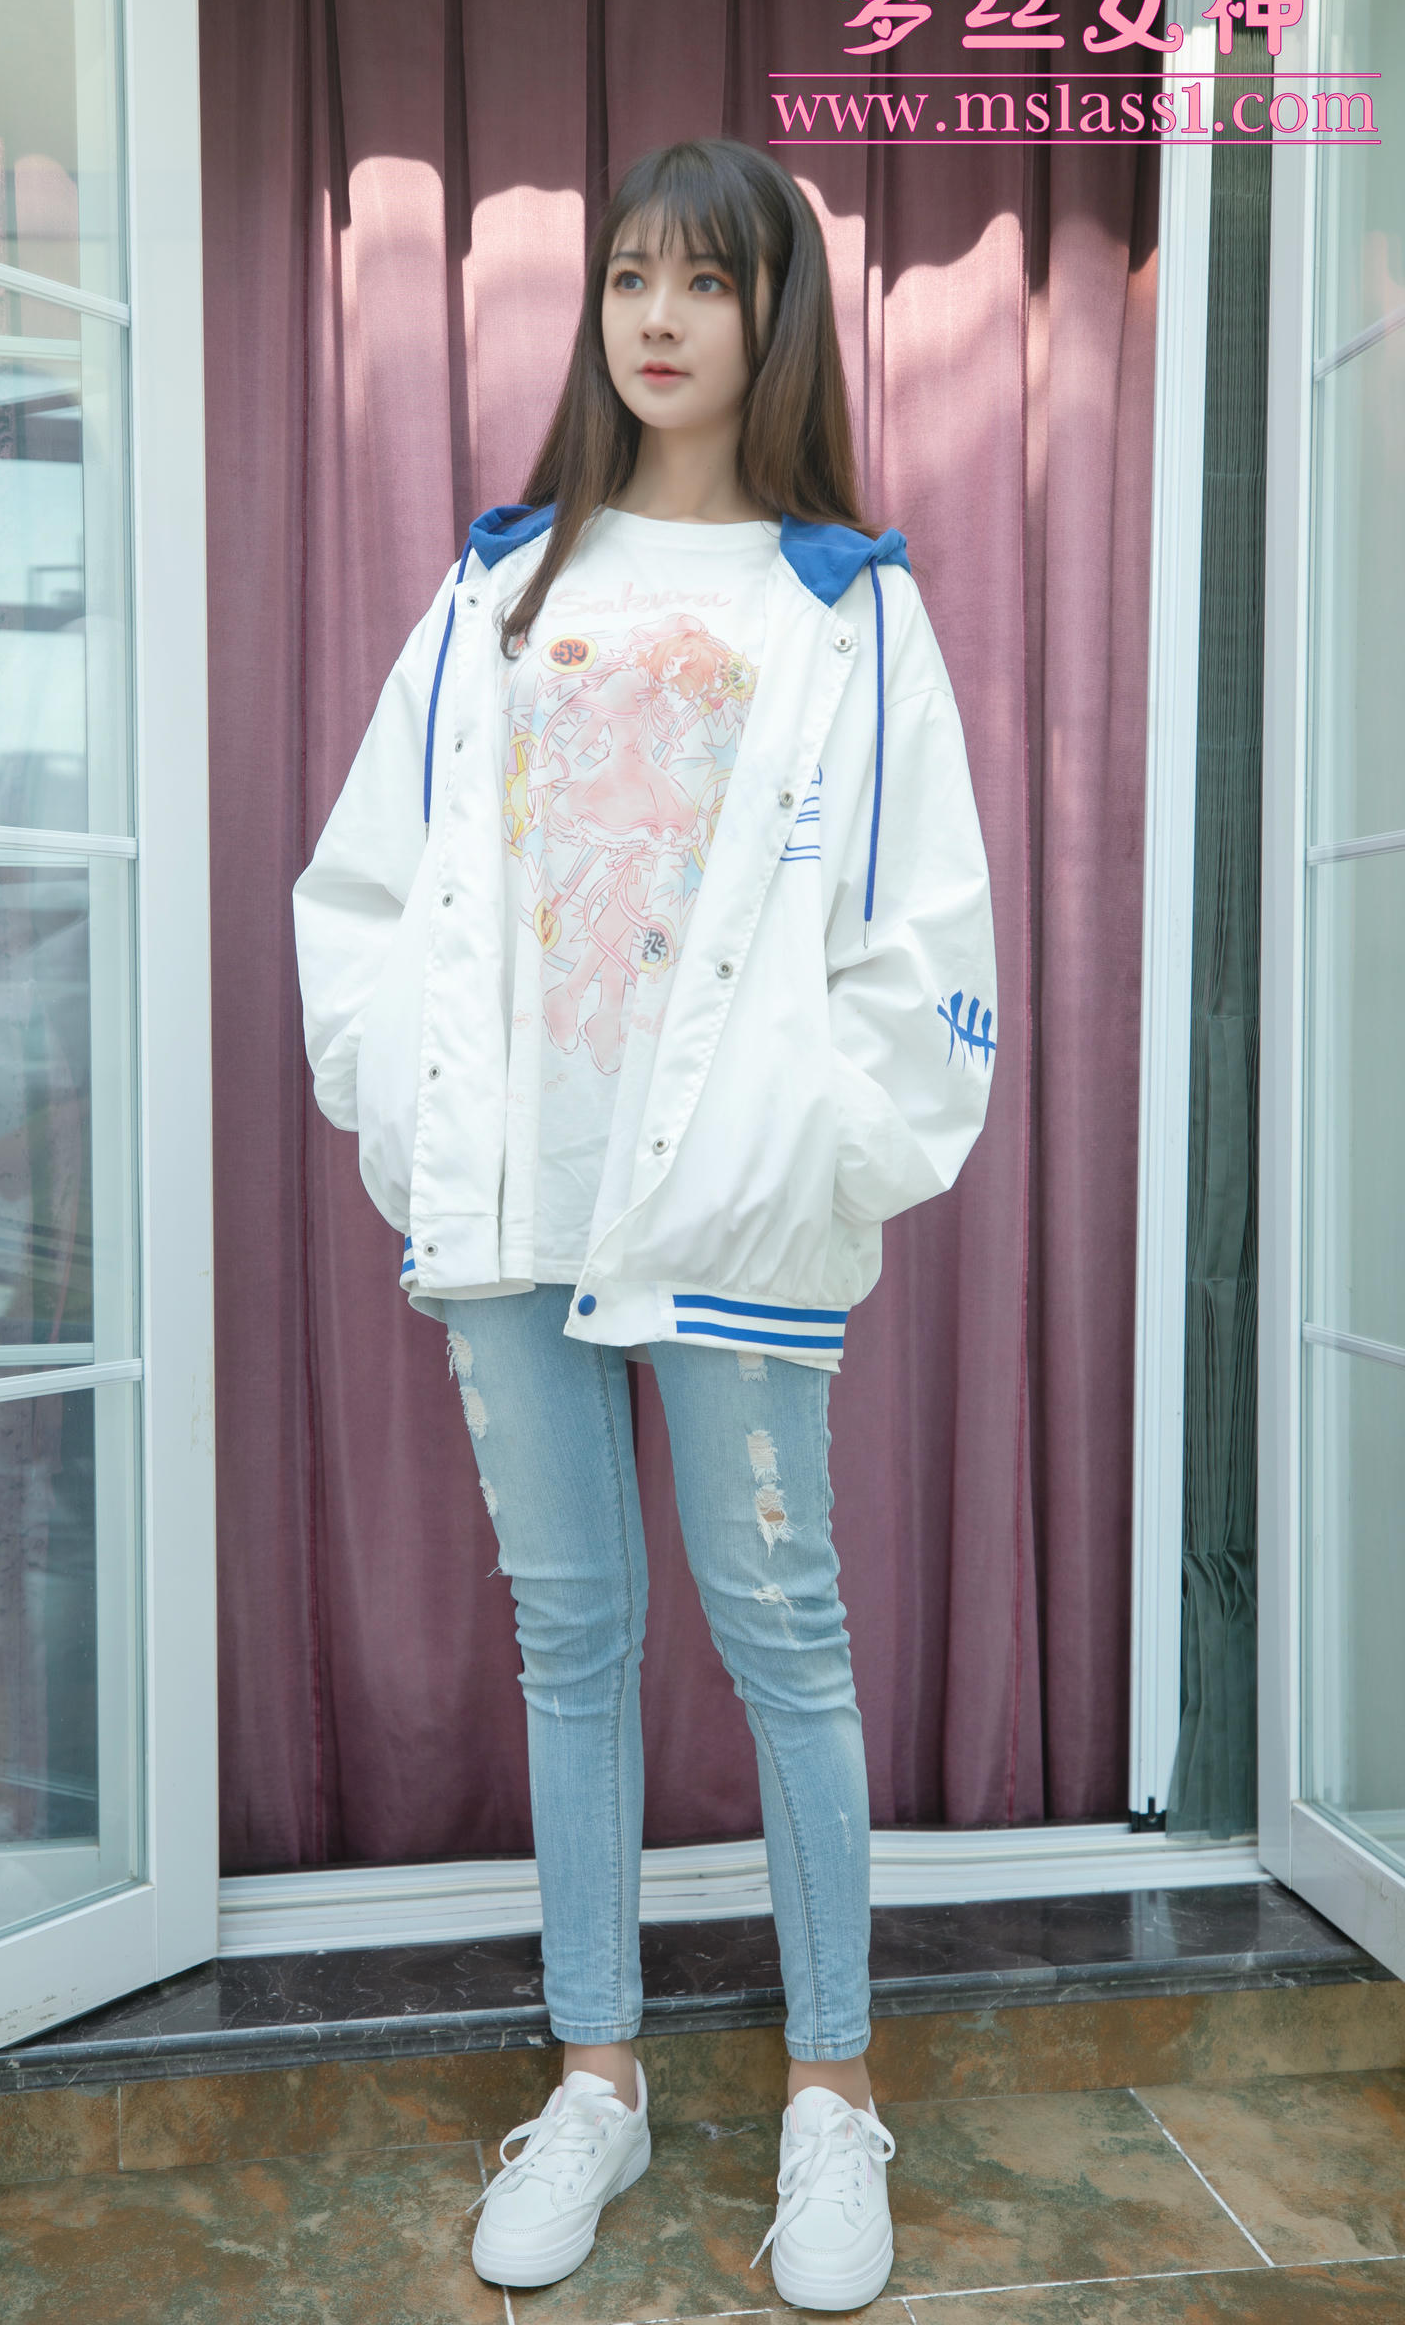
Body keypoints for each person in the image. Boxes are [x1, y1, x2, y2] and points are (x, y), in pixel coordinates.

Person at [293, 137, 997, 2313]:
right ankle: (594, 2074)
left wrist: (817, 1151)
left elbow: (926, 935)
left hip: (734, 1211)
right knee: (569, 1636)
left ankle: (831, 2094)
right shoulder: (501, 590)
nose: (658, 318)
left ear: (773, 319)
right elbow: (365, 891)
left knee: (784, 1636)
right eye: (627, 279)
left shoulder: (844, 606)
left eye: (705, 281)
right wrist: (411, 1124)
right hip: (515, 1201)